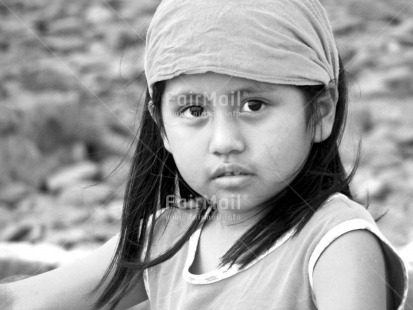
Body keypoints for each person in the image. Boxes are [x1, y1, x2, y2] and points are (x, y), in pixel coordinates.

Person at [0, 0, 408, 309]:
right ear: (162, 128)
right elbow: (21, 301)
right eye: (194, 111)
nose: (224, 140)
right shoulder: (166, 239)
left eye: (254, 106)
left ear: (320, 111)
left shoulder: (335, 241)